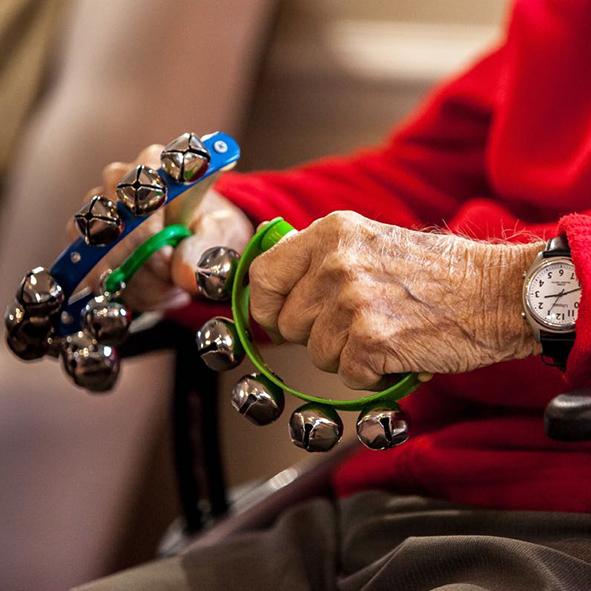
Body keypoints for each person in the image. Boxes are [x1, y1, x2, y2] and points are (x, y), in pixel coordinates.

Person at [73, 0, 591, 589]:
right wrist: (239, 231)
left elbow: (479, 263)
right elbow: (434, 183)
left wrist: (508, 292)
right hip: (406, 492)